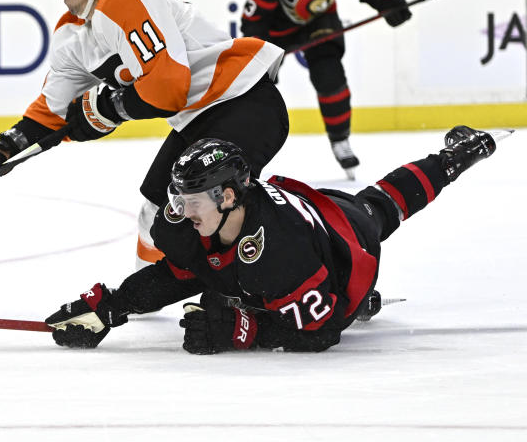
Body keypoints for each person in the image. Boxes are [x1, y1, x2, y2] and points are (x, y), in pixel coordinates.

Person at [0, 0, 288, 268]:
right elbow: (50, 115)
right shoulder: (73, 35)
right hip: (199, 120)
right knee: (157, 209)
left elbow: (169, 89)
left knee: (208, 204)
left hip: (244, 102)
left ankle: (273, 286)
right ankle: (146, 294)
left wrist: (109, 108)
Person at [45, 126, 507, 353]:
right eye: (179, 199)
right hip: (309, 218)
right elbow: (182, 273)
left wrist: (241, 333)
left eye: (191, 201)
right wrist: (113, 305)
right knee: (375, 202)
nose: (181, 212)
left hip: (345, 250)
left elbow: (323, 331)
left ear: (227, 196)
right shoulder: (210, 218)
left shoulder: (277, 253)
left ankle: (454, 157)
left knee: (379, 209)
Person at [240, 0, 412, 177]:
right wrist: (257, 53)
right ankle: (245, 148)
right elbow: (256, 17)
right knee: (258, 90)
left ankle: (340, 139)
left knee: (329, 75)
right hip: (275, 29)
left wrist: (387, 3)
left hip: (319, 20)